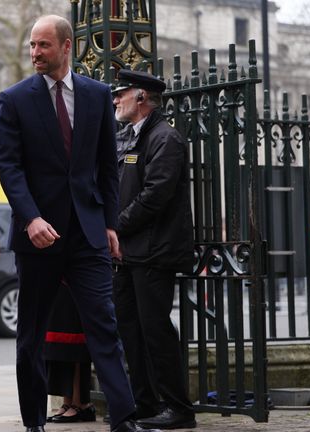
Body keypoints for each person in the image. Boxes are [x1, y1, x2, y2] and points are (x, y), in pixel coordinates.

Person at [0, 15, 158, 432]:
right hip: (39, 238)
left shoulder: (97, 94)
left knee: (104, 325)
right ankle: (33, 422)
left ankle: (124, 419)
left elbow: (106, 166)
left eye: (43, 45)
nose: (35, 53)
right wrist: (30, 219)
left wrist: (109, 224)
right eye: (32, 45)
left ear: (66, 47)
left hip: (87, 236)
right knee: (30, 334)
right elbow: (9, 167)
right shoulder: (14, 99)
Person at [111, 69, 197, 430]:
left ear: (142, 97)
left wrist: (116, 227)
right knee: (130, 329)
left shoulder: (166, 138)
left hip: (155, 250)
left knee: (155, 329)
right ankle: (145, 403)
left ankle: (179, 408)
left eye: (121, 93)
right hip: (128, 252)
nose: (115, 100)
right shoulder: (126, 138)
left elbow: (155, 196)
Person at [44, 282, 96, 424]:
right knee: (59, 341)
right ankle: (68, 401)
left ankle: (80, 403)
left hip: (75, 278)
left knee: (74, 338)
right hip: (57, 279)